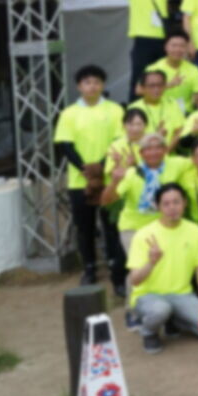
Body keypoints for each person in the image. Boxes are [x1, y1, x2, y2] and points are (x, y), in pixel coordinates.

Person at [55, 65, 126, 291]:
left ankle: (116, 270)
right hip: (79, 182)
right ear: (79, 86)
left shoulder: (115, 110)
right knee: (84, 227)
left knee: (111, 226)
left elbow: (119, 141)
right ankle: (89, 268)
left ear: (103, 85)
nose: (92, 86)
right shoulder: (68, 113)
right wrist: (86, 170)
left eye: (96, 82)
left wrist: (102, 168)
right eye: (87, 82)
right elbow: (66, 145)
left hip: (110, 179)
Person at [125, 184, 198, 354]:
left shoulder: (194, 231)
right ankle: (149, 332)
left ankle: (174, 320)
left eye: (176, 202)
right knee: (161, 309)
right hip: (148, 296)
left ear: (185, 203)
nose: (172, 208)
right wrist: (151, 262)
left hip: (182, 295)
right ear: (158, 206)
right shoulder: (144, 235)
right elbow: (134, 280)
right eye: (166, 204)